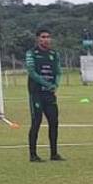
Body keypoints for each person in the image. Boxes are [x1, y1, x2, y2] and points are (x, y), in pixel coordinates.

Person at [26, 28, 63, 162]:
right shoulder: (31, 53)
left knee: (54, 122)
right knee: (36, 122)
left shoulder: (54, 54)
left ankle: (54, 153)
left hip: (50, 94)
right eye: (43, 37)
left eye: (48, 37)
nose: (46, 39)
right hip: (36, 93)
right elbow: (32, 72)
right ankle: (33, 155)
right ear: (38, 39)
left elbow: (59, 72)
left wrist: (55, 85)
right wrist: (46, 84)